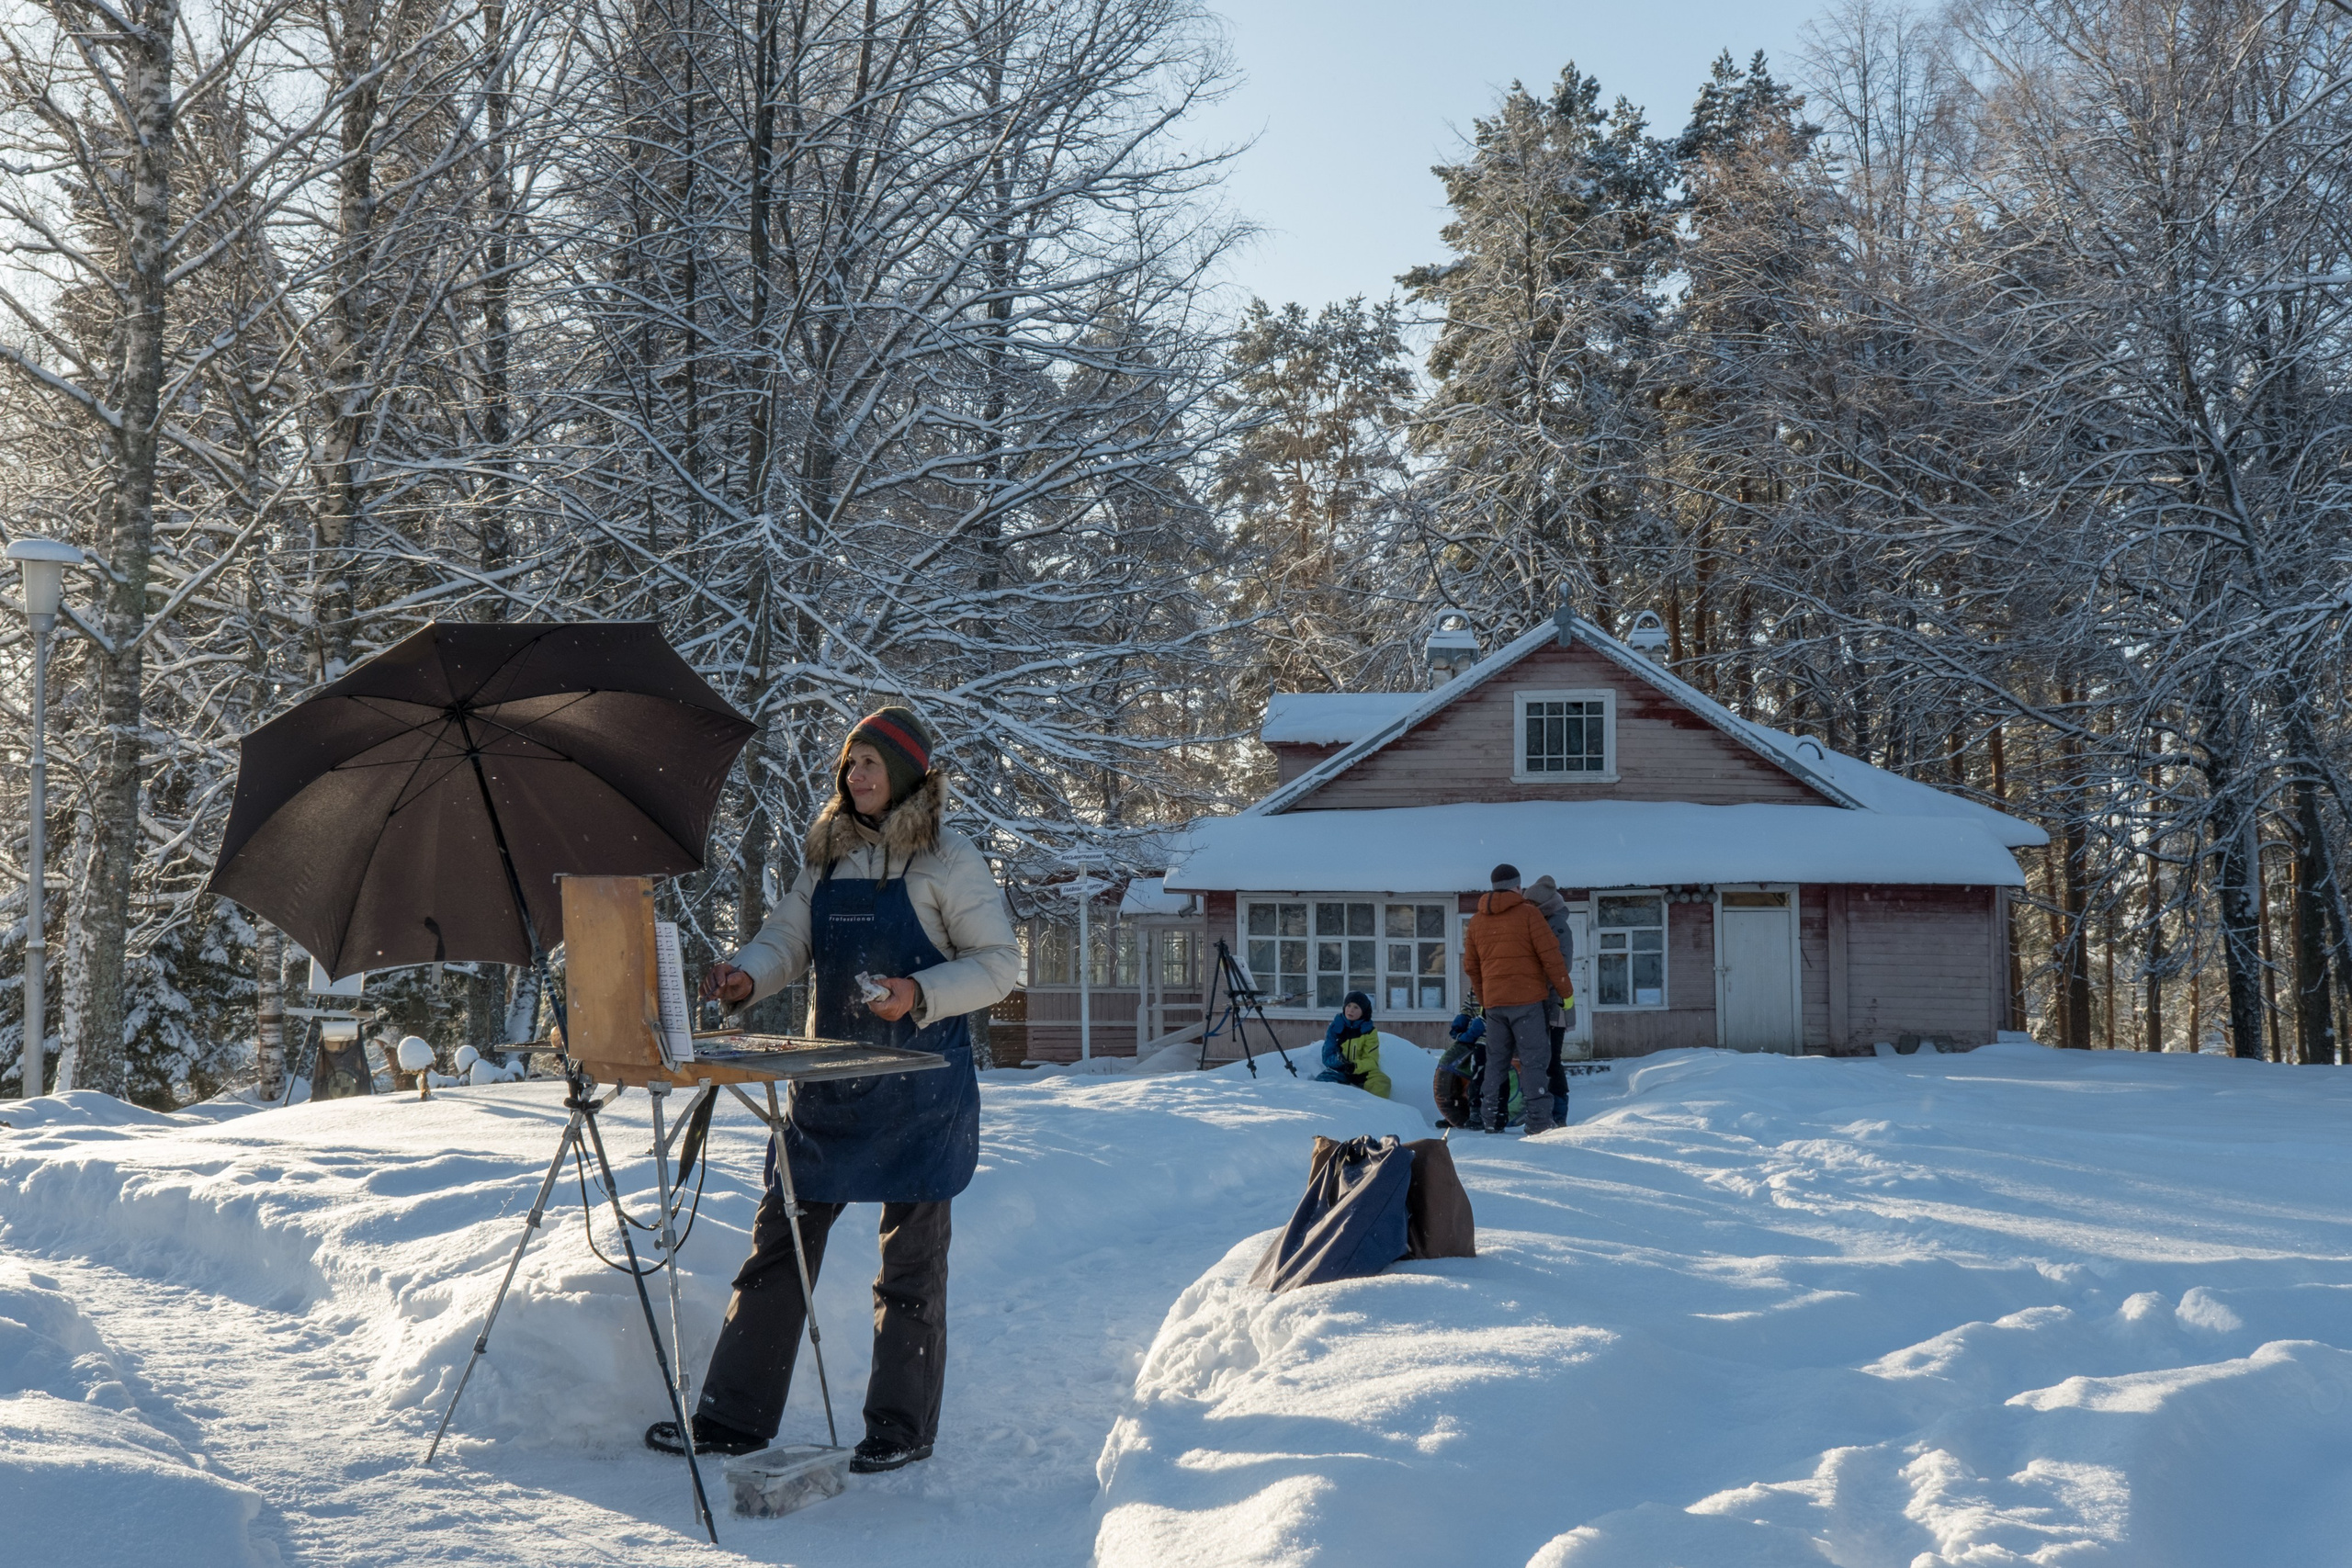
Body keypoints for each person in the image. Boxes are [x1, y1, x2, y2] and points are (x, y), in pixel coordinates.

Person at [645, 706, 1020, 1474]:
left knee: (910, 1265)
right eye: (851, 763)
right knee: (778, 1244)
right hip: (831, 1088)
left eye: (873, 762)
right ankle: (732, 1419)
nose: (857, 775)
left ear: (908, 772)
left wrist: (916, 991)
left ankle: (899, 1427)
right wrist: (748, 972)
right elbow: (789, 938)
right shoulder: (828, 859)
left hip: (920, 1091)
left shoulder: (949, 858)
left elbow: (998, 964)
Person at [1460, 863, 1570, 1134]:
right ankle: (1538, 1123)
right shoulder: (1529, 914)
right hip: (1528, 1001)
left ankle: (1490, 1119)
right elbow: (1552, 957)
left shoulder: (1477, 921)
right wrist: (1565, 993)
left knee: (1496, 1061)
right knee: (1534, 1062)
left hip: (1496, 1006)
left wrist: (1486, 999)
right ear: (1518, 886)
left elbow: (1471, 967)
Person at [1526, 874, 1577, 1126]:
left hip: (1555, 1004)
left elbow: (1561, 966)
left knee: (1551, 1059)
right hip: (1546, 1001)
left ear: (1542, 906)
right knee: (1545, 1058)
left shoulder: (1556, 926)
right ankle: (1552, 1109)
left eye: (1531, 905)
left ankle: (1559, 1111)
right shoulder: (1547, 923)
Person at [1314, 990, 1390, 1099]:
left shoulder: (1369, 1031)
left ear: (1363, 1011)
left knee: (1382, 1082)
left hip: (1361, 1071)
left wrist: (1354, 1066)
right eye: (1348, 1005)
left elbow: (1372, 1060)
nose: (1351, 1010)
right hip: (1339, 1070)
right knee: (1322, 1083)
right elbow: (1327, 1056)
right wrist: (1339, 1061)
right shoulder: (1335, 1027)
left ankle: (1375, 1110)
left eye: (1356, 1007)